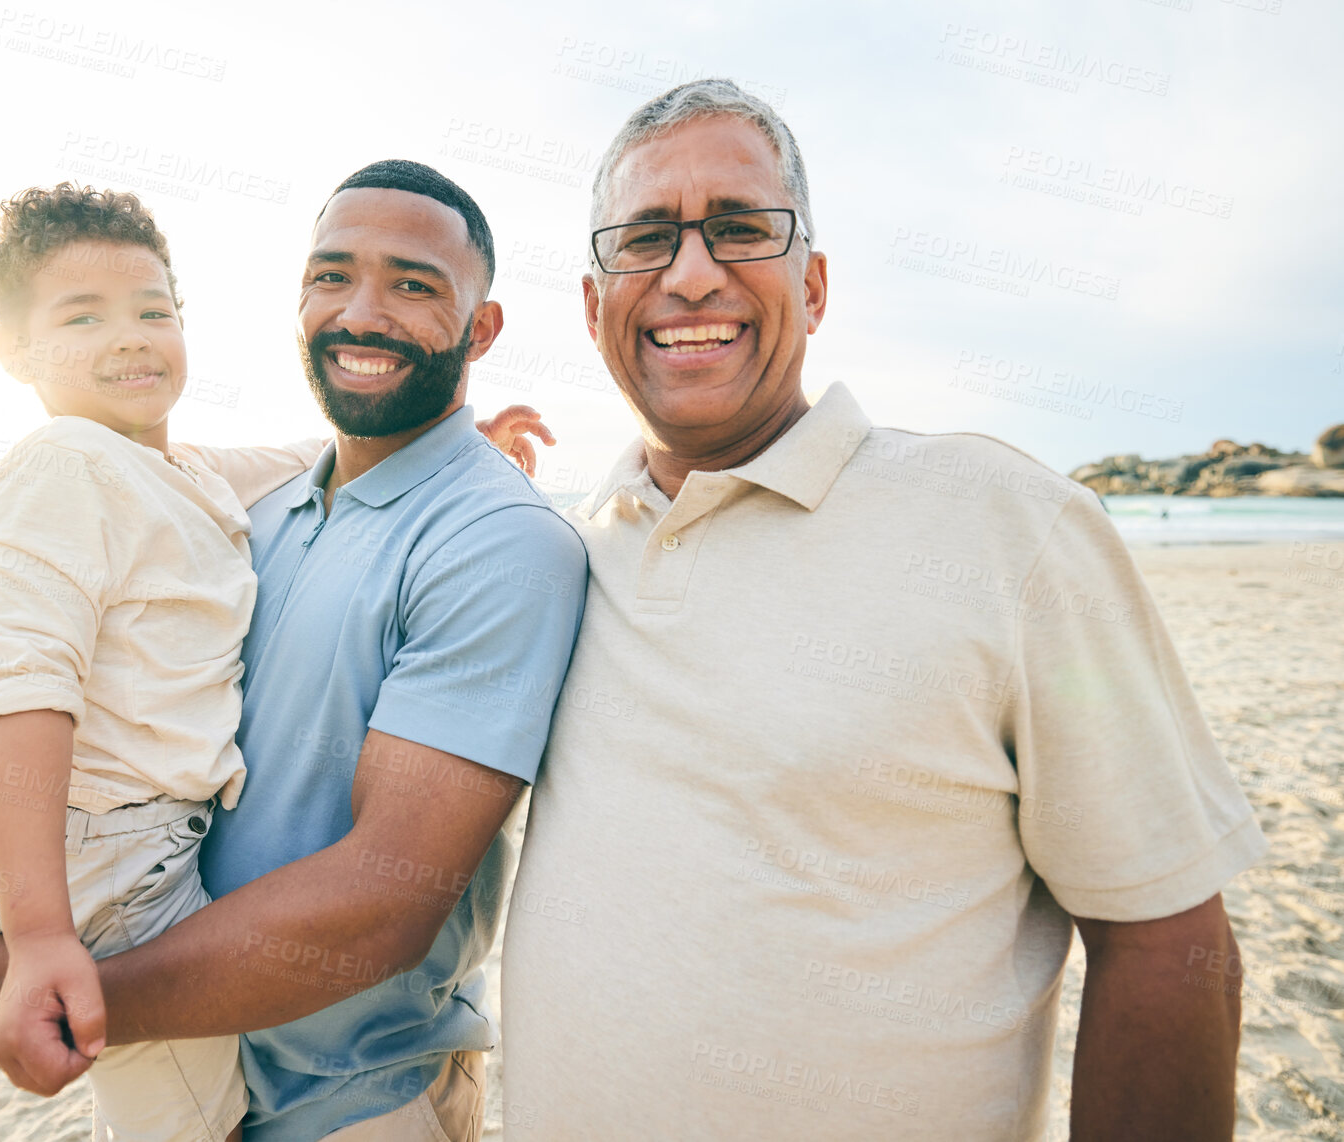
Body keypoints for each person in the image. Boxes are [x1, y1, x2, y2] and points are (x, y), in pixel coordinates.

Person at [499, 80, 1265, 1141]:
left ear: (811, 287)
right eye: (644, 239)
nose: (689, 273)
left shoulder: (1009, 528)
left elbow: (1170, 945)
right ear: (593, 307)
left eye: (738, 228)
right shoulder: (556, 552)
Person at [0, 161, 588, 1142]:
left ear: (482, 328)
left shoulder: (497, 539)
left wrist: (72, 997)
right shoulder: (252, 508)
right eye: (330, 275)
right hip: (194, 1030)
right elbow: (35, 672)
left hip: (351, 1098)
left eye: (414, 284)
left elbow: (385, 900)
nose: (361, 310)